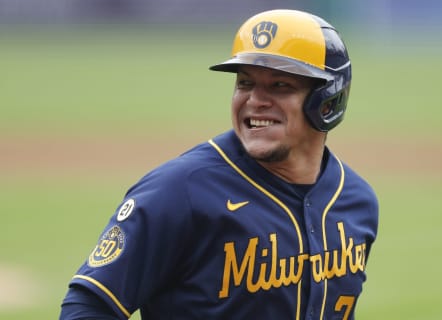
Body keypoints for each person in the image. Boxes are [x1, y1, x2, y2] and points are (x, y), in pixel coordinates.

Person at [60, 9, 378, 320]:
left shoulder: (355, 201)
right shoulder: (179, 191)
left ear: (327, 99)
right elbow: (88, 306)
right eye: (245, 83)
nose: (255, 100)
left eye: (280, 85)